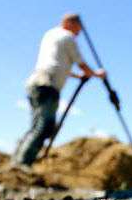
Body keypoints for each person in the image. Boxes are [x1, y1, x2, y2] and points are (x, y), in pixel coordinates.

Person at [13, 13, 106, 166]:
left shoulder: (51, 35)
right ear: (69, 23)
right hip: (47, 85)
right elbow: (81, 63)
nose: (78, 33)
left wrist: (78, 77)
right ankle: (22, 165)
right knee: (44, 127)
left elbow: (58, 66)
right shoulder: (67, 37)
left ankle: (18, 161)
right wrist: (97, 74)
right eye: (78, 29)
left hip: (36, 83)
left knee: (37, 126)